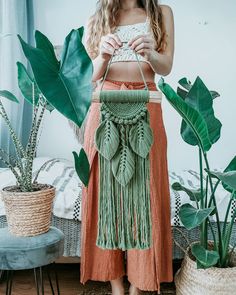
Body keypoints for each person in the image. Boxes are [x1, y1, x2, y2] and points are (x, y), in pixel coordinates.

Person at [80, 0, 175, 294]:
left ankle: (139, 283)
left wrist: (151, 53)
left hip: (148, 103)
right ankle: (116, 284)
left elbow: (166, 67)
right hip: (104, 104)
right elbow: (89, 77)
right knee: (103, 193)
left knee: (146, 192)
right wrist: (104, 57)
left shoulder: (162, 13)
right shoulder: (98, 16)